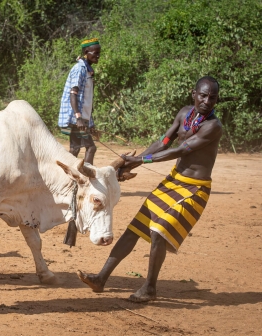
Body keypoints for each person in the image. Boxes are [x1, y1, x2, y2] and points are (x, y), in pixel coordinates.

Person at [77, 76, 223, 302]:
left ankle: (150, 288)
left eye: (212, 97)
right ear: (193, 94)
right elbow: (164, 142)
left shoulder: (213, 126)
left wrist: (142, 162)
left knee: (158, 231)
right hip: (174, 181)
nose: (207, 101)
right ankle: (100, 278)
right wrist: (133, 160)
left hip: (194, 189)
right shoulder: (185, 113)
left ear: (216, 100)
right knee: (135, 228)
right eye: (203, 95)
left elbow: (180, 150)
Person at [58, 38, 101, 165]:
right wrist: (78, 118)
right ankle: (87, 178)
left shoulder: (87, 70)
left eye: (99, 53)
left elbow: (85, 101)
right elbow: (73, 94)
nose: (98, 56)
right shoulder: (79, 69)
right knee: (90, 147)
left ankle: (67, 176)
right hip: (75, 118)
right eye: (95, 53)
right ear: (86, 51)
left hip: (80, 119)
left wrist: (90, 123)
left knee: (75, 148)